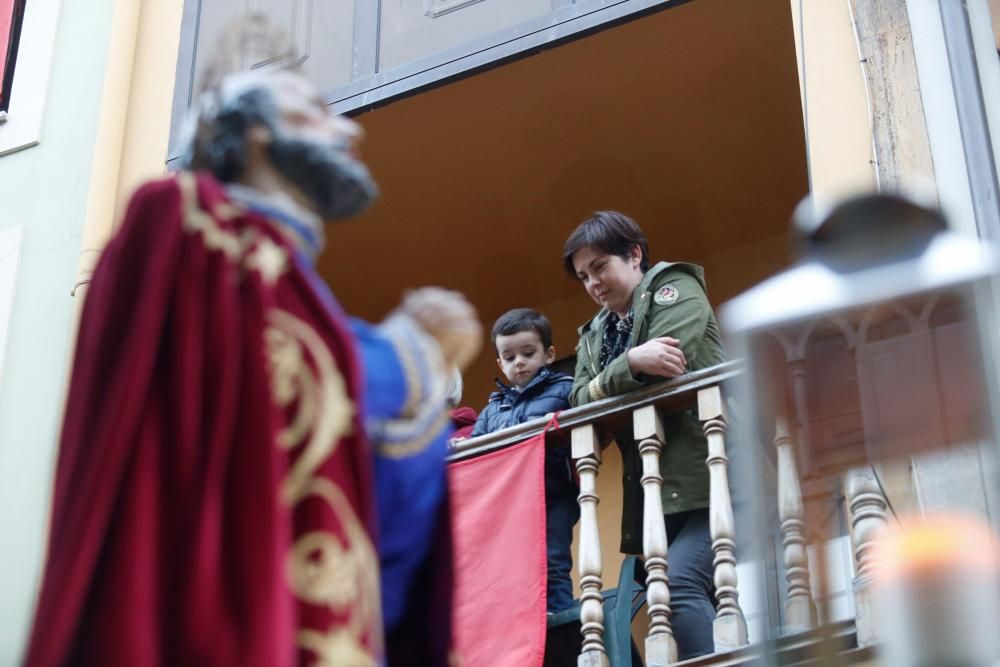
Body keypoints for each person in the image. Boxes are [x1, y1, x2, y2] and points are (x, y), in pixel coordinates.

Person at [24, 58, 480, 666]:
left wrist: (417, 389)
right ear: (257, 132)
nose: (348, 131)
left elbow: (354, 494)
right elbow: (264, 379)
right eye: (314, 112)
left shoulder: (293, 290)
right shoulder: (183, 225)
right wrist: (409, 354)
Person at [562, 210, 726, 660]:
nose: (593, 283)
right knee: (673, 591)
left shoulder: (674, 288)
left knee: (678, 584)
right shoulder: (594, 335)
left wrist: (606, 384)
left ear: (634, 255)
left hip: (715, 476)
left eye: (599, 267)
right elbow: (577, 399)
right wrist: (632, 362)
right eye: (583, 276)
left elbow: (671, 363)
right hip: (660, 495)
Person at [469, 308, 579, 613]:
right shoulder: (494, 408)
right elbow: (475, 445)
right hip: (510, 504)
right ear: (499, 363)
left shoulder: (565, 389)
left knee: (554, 561)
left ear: (548, 354)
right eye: (509, 357)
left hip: (552, 493)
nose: (518, 362)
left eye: (528, 353)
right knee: (517, 569)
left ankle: (561, 628)